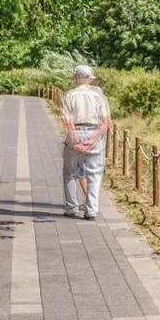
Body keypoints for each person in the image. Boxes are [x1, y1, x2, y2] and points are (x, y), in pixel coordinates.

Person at [60, 65, 110, 220]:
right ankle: (91, 210)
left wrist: (76, 141)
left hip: (75, 131)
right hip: (94, 132)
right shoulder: (99, 96)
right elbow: (106, 121)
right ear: (88, 79)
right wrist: (92, 140)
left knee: (70, 173)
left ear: (76, 78)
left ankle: (71, 207)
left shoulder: (69, 95)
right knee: (94, 174)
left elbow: (67, 121)